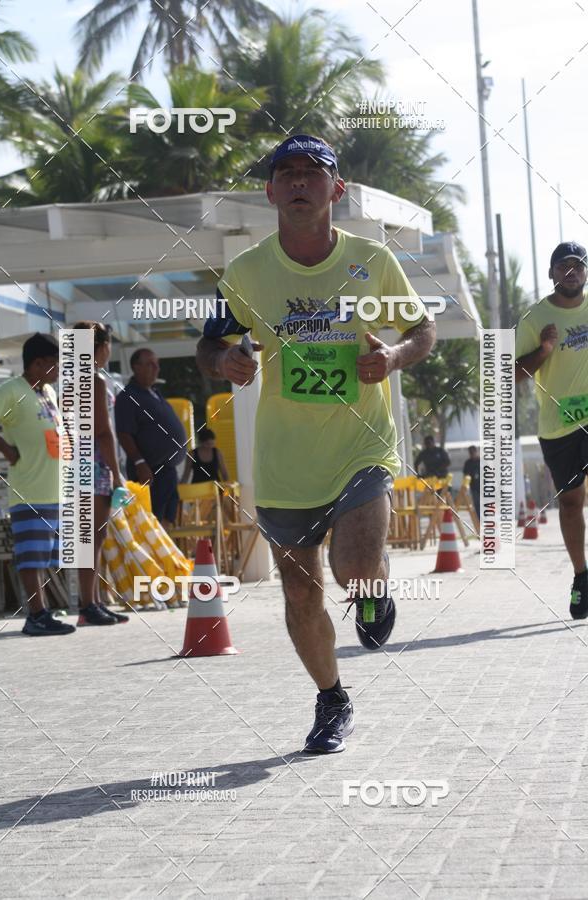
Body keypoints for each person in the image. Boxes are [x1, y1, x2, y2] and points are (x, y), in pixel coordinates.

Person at [196, 134, 435, 753]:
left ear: (337, 189)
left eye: (313, 172)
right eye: (288, 173)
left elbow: (421, 328)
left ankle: (372, 583)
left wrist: (396, 357)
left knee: (353, 566)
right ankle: (332, 698)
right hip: (284, 462)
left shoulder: (372, 260)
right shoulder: (247, 272)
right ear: (272, 191)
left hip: (360, 443)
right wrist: (225, 362)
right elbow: (209, 346)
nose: (300, 182)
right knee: (301, 591)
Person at [515, 240, 588, 619]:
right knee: (572, 503)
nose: (571, 272)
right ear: (551, 273)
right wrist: (543, 350)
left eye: (577, 266)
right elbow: (508, 374)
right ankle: (581, 577)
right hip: (557, 427)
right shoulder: (534, 318)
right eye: (563, 266)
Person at [0, 333, 75, 635]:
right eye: (55, 365)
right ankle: (36, 615)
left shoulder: (47, 392)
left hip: (53, 491)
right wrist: (7, 451)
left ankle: (44, 612)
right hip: (29, 491)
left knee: (45, 557)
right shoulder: (11, 390)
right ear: (38, 363)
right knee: (31, 557)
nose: (59, 371)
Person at [72, 322, 129, 626]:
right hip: (95, 465)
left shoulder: (70, 381)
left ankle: (92, 601)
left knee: (91, 536)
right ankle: (88, 604)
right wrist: (118, 474)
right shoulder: (94, 382)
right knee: (92, 536)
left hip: (75, 465)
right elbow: (104, 433)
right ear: (102, 347)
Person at [115, 348, 187, 531]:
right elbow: (124, 433)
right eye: (150, 364)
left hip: (167, 471)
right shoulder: (128, 396)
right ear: (136, 367)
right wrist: (140, 463)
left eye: (157, 364)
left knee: (167, 521)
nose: (156, 368)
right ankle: (151, 559)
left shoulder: (153, 392)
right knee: (150, 523)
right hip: (150, 472)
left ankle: (163, 558)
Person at [463, 445, 481, 521]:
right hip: (474, 487)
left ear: (476, 452)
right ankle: (479, 520)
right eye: (470, 453)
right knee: (477, 504)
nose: (472, 454)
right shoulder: (468, 463)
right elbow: (465, 475)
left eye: (473, 452)